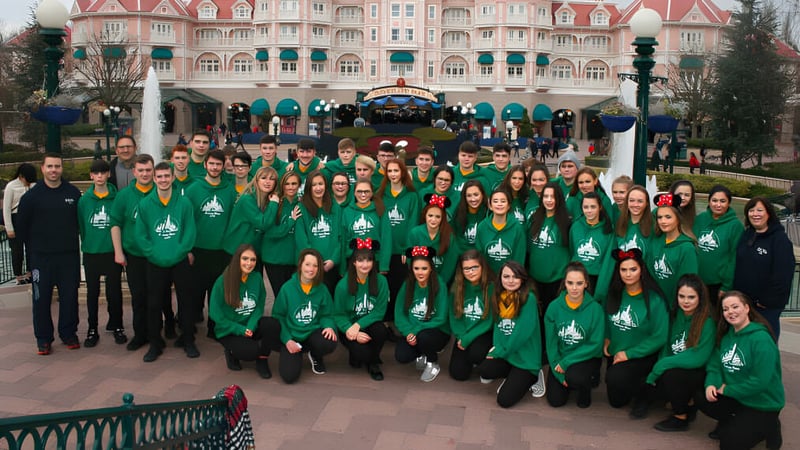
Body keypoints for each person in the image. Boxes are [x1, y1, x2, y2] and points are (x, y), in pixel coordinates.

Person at [697, 291, 783, 449]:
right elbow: (714, 365)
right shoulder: (726, 335)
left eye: (735, 306)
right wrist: (711, 384)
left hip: (762, 403)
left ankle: (770, 426)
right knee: (701, 395)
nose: (730, 312)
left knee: (729, 445)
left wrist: (727, 389)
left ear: (747, 308)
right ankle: (736, 421)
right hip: (738, 398)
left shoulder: (761, 340)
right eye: (725, 309)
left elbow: (760, 382)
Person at [16, 154, 82, 355]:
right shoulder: (31, 197)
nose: (54, 170)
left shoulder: (73, 193)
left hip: (68, 257)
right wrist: (25, 261)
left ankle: (68, 333)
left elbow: (80, 224)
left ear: (62, 169)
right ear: (43, 168)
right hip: (41, 258)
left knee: (70, 297)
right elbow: (21, 230)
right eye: (50, 166)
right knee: (41, 299)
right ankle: (43, 339)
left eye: (57, 166)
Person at [136, 162, 197, 362]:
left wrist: (180, 251)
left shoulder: (184, 203)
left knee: (186, 301)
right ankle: (155, 343)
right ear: (154, 179)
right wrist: (154, 254)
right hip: (155, 261)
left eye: (166, 176)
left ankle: (188, 339)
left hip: (179, 260)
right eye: (159, 176)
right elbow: (141, 235)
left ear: (172, 178)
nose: (163, 180)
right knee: (154, 304)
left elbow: (189, 232)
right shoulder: (145, 204)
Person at [645, 274, 715, 432]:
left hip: (698, 371)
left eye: (691, 297)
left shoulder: (707, 321)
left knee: (672, 375)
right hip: (674, 364)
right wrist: (660, 366)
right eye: (681, 296)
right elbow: (666, 346)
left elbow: (698, 357)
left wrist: (660, 367)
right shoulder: (675, 315)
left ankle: (680, 417)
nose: (686, 301)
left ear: (700, 298)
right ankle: (685, 402)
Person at [604, 248, 668, 418]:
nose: (628, 274)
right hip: (618, 355)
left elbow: (660, 337)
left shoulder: (654, 300)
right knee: (615, 402)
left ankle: (645, 393)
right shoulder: (615, 294)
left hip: (642, 356)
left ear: (641, 271)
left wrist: (630, 353)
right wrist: (607, 338)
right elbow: (607, 319)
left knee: (616, 377)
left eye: (633, 269)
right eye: (623, 270)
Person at [184, 149, 239, 340]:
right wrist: (188, 248)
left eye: (219, 164)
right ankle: (188, 329)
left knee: (217, 292)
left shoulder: (229, 190)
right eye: (212, 164)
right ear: (205, 164)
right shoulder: (193, 189)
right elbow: (187, 220)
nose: (215, 167)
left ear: (223, 166)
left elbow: (234, 221)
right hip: (198, 249)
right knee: (194, 291)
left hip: (221, 250)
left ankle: (214, 327)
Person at [478, 261, 542, 408]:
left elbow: (521, 334)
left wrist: (500, 351)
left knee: (504, 401)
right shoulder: (499, 296)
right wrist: (497, 347)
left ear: (523, 279)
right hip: (508, 355)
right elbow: (498, 327)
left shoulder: (528, 299)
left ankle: (535, 376)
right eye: (506, 276)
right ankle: (513, 377)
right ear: (500, 278)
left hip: (526, 358)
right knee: (485, 370)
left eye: (515, 277)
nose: (511, 281)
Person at [209, 244, 279, 379]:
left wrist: (251, 326)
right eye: (245, 259)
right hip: (229, 330)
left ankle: (262, 359)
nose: (249, 263)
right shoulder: (223, 280)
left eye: (253, 260)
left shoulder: (257, 278)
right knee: (251, 352)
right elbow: (215, 313)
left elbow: (259, 306)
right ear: (237, 259)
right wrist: (240, 330)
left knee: (273, 325)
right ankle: (231, 352)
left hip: (249, 326)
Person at [77, 159, 126, 347]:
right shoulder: (84, 201)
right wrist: (89, 243)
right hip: (92, 253)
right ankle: (92, 329)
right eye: (95, 173)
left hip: (111, 252)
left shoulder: (117, 198)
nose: (99, 177)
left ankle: (117, 326)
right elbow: (82, 226)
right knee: (92, 293)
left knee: (114, 292)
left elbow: (120, 224)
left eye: (103, 173)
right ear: (91, 176)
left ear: (108, 175)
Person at [110, 154, 157, 351]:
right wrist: (118, 252)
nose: (145, 174)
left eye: (148, 170)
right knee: (138, 297)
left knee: (156, 297)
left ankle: (156, 334)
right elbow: (115, 224)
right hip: (134, 255)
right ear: (134, 172)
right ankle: (140, 335)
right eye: (141, 170)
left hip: (156, 255)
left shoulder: (161, 192)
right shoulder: (124, 195)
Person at [271, 249, 338, 384]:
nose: (311, 269)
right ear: (300, 265)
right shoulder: (287, 288)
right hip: (292, 336)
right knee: (289, 376)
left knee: (329, 341)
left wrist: (329, 326)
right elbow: (278, 316)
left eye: (315, 265)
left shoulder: (322, 289)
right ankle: (296, 354)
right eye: (307, 264)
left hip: (312, 333)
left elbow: (327, 313)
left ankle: (315, 354)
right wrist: (287, 339)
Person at [734, 197, 795, 340]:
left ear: (769, 213)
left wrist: (766, 300)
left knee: (764, 341)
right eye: (751, 210)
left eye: (760, 210)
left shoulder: (780, 240)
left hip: (766, 307)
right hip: (744, 302)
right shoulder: (747, 234)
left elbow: (784, 275)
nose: (755, 214)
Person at [544, 262, 604, 408]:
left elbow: (595, 345)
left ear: (586, 284)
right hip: (562, 356)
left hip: (586, 356)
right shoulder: (554, 307)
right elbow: (551, 344)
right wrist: (558, 370)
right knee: (555, 401)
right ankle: (568, 380)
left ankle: (585, 387)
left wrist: (566, 363)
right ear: (564, 283)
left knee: (575, 377)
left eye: (579, 283)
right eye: (570, 283)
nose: (574, 288)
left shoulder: (595, 309)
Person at [333, 238, 390, 381]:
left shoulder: (381, 281)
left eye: (369, 260)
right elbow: (338, 314)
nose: (365, 264)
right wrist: (351, 330)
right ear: (354, 262)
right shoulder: (343, 285)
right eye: (360, 260)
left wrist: (359, 326)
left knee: (381, 330)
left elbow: (379, 311)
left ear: (373, 262)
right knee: (360, 354)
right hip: (348, 327)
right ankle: (360, 353)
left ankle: (374, 363)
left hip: (368, 324)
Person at [394, 245, 451, 382]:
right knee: (401, 356)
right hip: (414, 330)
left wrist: (416, 330)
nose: (420, 272)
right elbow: (399, 313)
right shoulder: (408, 285)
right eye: (416, 268)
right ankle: (421, 352)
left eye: (424, 268)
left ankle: (433, 362)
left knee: (424, 337)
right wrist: (408, 332)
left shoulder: (439, 285)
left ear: (431, 268)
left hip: (436, 331)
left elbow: (441, 317)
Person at [377, 158, 419, 303]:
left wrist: (407, 250)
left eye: (396, 170)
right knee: (384, 289)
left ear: (403, 172)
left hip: (401, 252)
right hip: (384, 251)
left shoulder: (412, 196)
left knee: (400, 289)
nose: (393, 174)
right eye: (389, 171)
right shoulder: (380, 195)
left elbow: (413, 225)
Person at [693, 185, 744, 304]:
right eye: (714, 200)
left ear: (729, 203)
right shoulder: (700, 219)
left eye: (723, 201)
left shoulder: (735, 226)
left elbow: (734, 257)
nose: (718, 205)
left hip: (718, 285)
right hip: (697, 282)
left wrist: (726, 286)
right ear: (709, 201)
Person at [448, 250, 494, 381]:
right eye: (466, 268)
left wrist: (469, 338)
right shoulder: (457, 287)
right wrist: (461, 336)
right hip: (463, 331)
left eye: (475, 267)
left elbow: (489, 321)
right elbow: (454, 316)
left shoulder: (491, 287)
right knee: (458, 374)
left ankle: (485, 364)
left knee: (477, 354)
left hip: (483, 332)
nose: (471, 271)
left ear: (482, 267)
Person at [296, 170, 342, 293]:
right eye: (314, 185)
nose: (318, 188)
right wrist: (314, 262)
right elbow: (301, 239)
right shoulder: (301, 208)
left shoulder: (334, 207)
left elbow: (339, 237)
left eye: (320, 184)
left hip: (331, 264)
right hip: (311, 267)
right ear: (308, 188)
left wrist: (333, 259)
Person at [649, 193, 698, 305]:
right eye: (660, 217)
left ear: (678, 219)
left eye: (668, 217)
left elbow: (687, 282)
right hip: (654, 301)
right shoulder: (655, 241)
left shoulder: (687, 248)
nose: (663, 221)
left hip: (674, 304)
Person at [528, 182, 571, 308]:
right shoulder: (535, 218)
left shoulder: (567, 222)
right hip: (535, 279)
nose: (549, 200)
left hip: (557, 280)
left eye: (553, 197)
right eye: (546, 196)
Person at [223, 166, 279, 263]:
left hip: (253, 251)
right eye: (263, 178)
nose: (267, 182)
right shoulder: (247, 199)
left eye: (272, 179)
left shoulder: (267, 199)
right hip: (237, 251)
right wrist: (274, 203)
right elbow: (263, 223)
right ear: (256, 180)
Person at [262, 172, 303, 297]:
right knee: (280, 296)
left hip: (294, 260)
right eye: (287, 184)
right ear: (282, 185)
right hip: (275, 260)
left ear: (299, 185)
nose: (290, 187)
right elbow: (271, 232)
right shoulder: (274, 203)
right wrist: (291, 221)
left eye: (294, 183)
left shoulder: (302, 204)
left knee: (294, 296)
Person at [340, 180, 392, 273]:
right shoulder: (347, 211)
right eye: (359, 191)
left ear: (372, 193)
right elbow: (343, 240)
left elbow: (386, 238)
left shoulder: (381, 210)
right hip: (353, 260)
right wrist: (343, 268)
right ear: (354, 193)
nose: (363, 194)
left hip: (375, 260)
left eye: (366, 191)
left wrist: (384, 265)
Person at [475, 189, 527, 276]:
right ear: (490, 206)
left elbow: (519, 257)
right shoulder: (482, 227)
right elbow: (479, 254)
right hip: (487, 276)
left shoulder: (517, 228)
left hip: (509, 277)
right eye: (495, 201)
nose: (499, 204)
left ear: (509, 205)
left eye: (503, 201)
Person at [569, 192, 615, 293]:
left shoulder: (608, 230)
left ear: (600, 207)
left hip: (596, 278)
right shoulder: (576, 226)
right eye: (586, 207)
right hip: (576, 276)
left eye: (593, 207)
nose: (589, 211)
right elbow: (572, 250)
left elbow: (607, 260)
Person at [3, 163, 36, 285]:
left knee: (31, 249)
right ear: (21, 176)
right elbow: (6, 209)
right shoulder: (11, 186)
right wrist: (9, 228)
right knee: (17, 251)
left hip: (29, 219)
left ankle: (30, 273)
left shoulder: (33, 185)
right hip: (15, 218)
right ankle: (18, 276)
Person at [452, 180, 488, 252]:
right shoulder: (458, 212)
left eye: (476, 194)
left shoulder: (489, 212)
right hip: (463, 254)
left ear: (482, 194)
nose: (473, 199)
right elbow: (456, 238)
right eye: (469, 195)